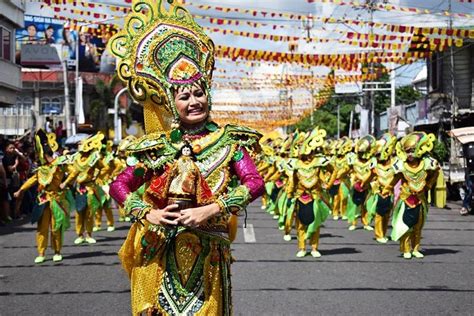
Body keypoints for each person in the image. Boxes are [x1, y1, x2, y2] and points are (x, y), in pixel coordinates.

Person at [108, 1, 264, 314]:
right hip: (164, 255)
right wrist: (147, 213)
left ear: (208, 92)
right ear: (170, 99)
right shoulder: (159, 147)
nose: (194, 101)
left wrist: (212, 209)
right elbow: (119, 185)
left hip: (209, 254)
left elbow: (255, 182)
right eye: (184, 96)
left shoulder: (228, 141)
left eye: (199, 93)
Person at [14, 130, 72, 263]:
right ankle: (41, 252)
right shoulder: (41, 169)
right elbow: (32, 180)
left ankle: (57, 251)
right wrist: (20, 190)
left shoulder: (60, 165)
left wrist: (66, 182)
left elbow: (73, 171)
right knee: (42, 228)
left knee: (56, 227)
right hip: (43, 199)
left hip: (57, 199)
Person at [390, 132, 440, 259]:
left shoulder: (427, 163)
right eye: (407, 151)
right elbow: (394, 180)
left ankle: (416, 248)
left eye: (412, 150)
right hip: (406, 198)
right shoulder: (401, 165)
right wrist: (387, 188)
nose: (410, 154)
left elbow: (435, 173)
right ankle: (406, 249)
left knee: (418, 226)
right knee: (406, 226)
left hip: (420, 199)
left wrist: (429, 185)